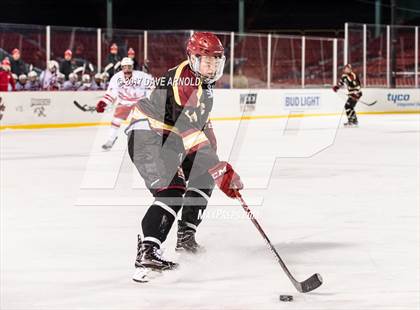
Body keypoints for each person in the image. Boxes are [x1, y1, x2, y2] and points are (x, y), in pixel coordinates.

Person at [125, 32, 243, 282]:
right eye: (205, 61)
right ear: (192, 57)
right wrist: (219, 169)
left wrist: (216, 167)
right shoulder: (184, 81)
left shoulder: (203, 84)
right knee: (171, 191)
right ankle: (148, 250)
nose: (210, 67)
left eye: (215, 61)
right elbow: (190, 133)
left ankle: (185, 236)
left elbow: (200, 126)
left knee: (203, 176)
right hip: (150, 133)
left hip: (169, 137)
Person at [96, 57, 153, 151]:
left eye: (129, 67)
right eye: (125, 67)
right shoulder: (116, 78)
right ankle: (111, 140)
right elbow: (111, 93)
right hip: (124, 102)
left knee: (144, 123)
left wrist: (151, 100)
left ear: (132, 67)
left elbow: (152, 88)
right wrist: (103, 103)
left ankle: (147, 142)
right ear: (121, 67)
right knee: (116, 121)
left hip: (139, 102)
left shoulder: (142, 76)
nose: (127, 70)